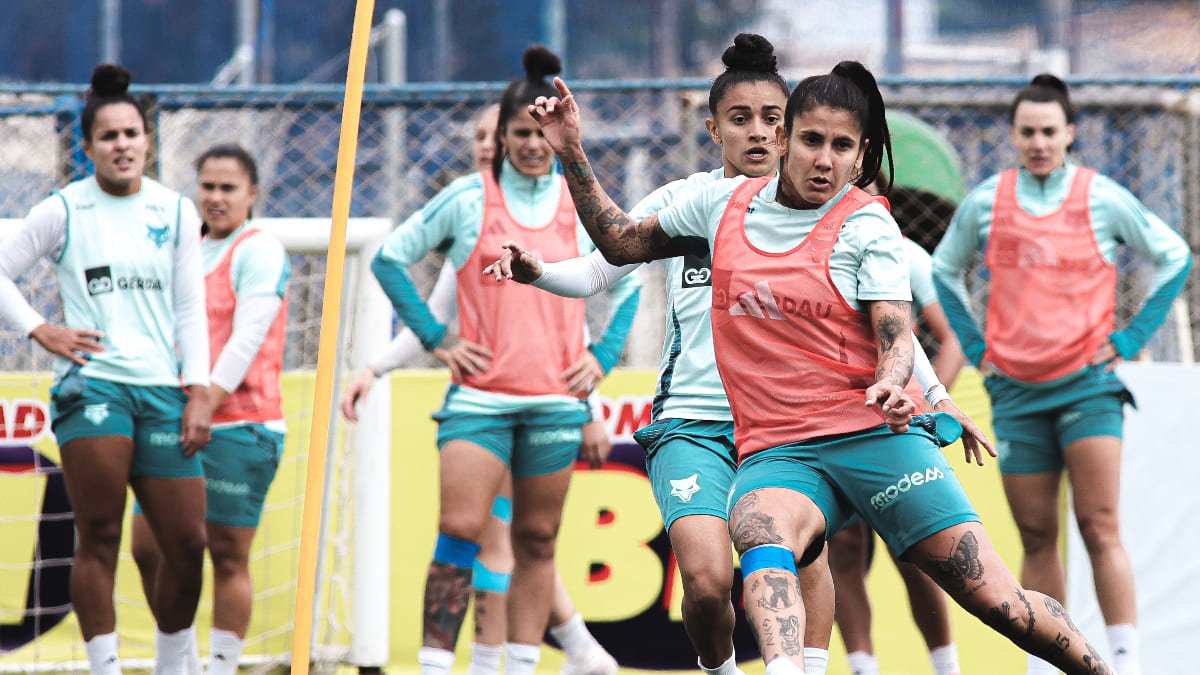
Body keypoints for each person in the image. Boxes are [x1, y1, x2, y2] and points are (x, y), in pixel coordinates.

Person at [525, 62, 1117, 675]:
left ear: (860, 157)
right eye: (811, 141)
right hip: (782, 451)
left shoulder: (868, 225)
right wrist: (571, 152)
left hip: (875, 437)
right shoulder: (716, 206)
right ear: (784, 141)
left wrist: (897, 385)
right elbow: (618, 245)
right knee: (758, 530)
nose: (823, 160)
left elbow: (894, 332)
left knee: (999, 603)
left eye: (841, 147)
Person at [484, 35, 982, 675]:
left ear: (792, 129)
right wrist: (539, 271)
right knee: (708, 578)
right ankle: (716, 667)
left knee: (809, 563)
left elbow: (884, 322)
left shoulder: (826, 212)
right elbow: (599, 267)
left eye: (773, 119)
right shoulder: (685, 202)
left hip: (788, 426)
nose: (757, 133)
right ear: (712, 126)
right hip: (695, 419)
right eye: (740, 119)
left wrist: (935, 395)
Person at [369, 45, 640, 675]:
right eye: (520, 132)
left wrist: (602, 355)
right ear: (501, 135)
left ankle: (520, 665)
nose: (532, 145)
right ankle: (438, 664)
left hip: (553, 403)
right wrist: (437, 338)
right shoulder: (468, 198)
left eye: (542, 133)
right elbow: (389, 258)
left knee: (538, 542)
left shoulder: (581, 204)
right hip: (480, 402)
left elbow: (627, 276)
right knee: (459, 531)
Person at [932, 74, 1192, 675]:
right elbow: (945, 273)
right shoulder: (987, 202)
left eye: (1050, 131)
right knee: (1036, 535)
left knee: (1100, 525)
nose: (1040, 142)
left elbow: (1173, 255)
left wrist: (1129, 338)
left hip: (1089, 389)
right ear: (1014, 136)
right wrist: (976, 346)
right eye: (1028, 132)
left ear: (1070, 134)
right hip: (1015, 393)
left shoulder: (1101, 196)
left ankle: (1125, 663)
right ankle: (1048, 663)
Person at [0, 64, 211, 675]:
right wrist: (40, 328)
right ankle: (105, 667)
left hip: (163, 392)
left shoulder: (175, 211)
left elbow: (189, 306)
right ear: (88, 146)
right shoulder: (64, 209)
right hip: (95, 390)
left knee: (188, 544)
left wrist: (198, 390)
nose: (123, 144)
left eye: (132, 133)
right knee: (99, 536)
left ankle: (175, 663)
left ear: (148, 139)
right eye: (109, 135)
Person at [127, 144, 291, 675]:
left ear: (252, 195)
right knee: (149, 547)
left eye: (228, 188)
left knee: (225, 555)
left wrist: (204, 404)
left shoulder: (260, 249)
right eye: (208, 187)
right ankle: (180, 662)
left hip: (241, 425)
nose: (216, 198)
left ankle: (221, 667)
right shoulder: (184, 248)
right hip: (174, 422)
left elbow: (246, 340)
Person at [824, 157, 969, 675]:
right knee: (842, 552)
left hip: (896, 425)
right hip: (833, 422)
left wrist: (929, 404)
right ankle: (865, 667)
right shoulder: (804, 253)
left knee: (916, 556)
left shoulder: (907, 256)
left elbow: (951, 338)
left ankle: (945, 667)